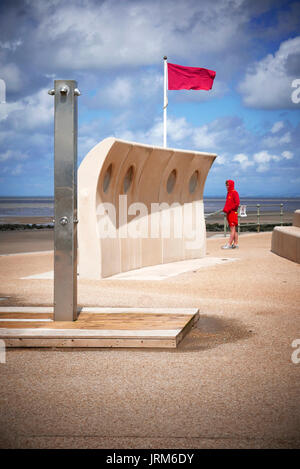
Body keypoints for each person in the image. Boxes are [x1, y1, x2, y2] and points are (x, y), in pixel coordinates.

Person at [222, 179, 240, 249]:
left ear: (231, 185)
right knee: (233, 229)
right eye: (226, 185)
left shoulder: (234, 193)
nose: (226, 186)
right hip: (229, 213)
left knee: (232, 229)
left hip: (232, 213)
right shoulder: (229, 193)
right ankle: (235, 243)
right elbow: (228, 203)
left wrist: (228, 209)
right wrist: (226, 209)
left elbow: (237, 203)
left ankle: (229, 244)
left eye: (228, 185)